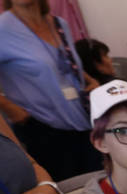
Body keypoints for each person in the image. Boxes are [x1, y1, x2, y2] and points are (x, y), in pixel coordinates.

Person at [0, 0, 102, 181]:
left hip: (82, 121)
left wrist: (91, 80)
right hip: (42, 129)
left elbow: (66, 64)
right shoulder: (3, 29)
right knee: (71, 192)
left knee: (97, 184)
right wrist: (9, 107)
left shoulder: (59, 24)